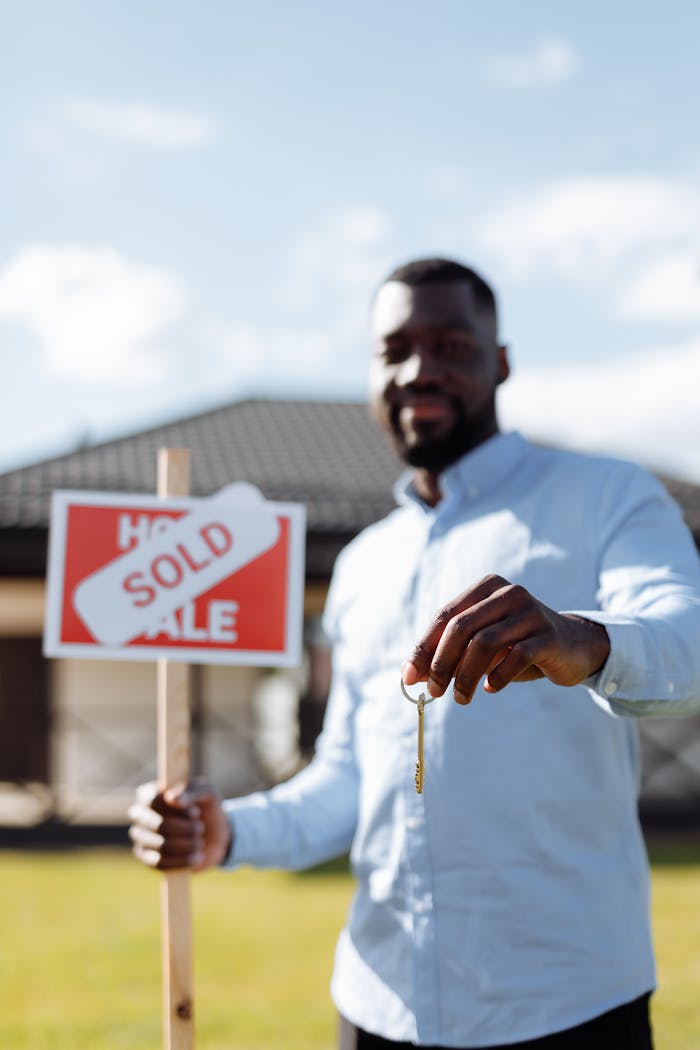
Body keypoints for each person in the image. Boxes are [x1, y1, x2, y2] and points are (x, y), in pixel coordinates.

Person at [129, 257, 700, 1049]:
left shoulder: (609, 496)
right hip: (377, 1007)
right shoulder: (364, 562)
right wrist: (229, 832)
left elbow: (687, 650)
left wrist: (584, 637)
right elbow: (351, 778)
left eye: (452, 346)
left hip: (568, 1006)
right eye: (394, 349)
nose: (419, 369)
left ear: (500, 363)